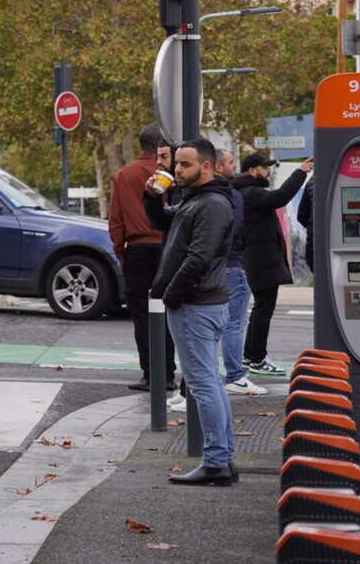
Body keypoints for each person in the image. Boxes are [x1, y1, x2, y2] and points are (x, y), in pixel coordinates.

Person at [143, 138, 236, 486]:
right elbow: (165, 224)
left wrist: (172, 295)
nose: (176, 170)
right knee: (209, 381)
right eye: (175, 164)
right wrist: (154, 197)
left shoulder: (211, 204)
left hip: (196, 303)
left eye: (185, 165)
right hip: (200, 301)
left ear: (208, 167)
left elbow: (199, 257)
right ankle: (222, 459)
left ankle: (216, 462)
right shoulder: (197, 199)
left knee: (202, 383)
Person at [107, 124, 175, 393]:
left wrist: (122, 253)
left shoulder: (123, 175)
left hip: (137, 249)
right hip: (168, 248)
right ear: (160, 144)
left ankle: (151, 373)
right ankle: (169, 373)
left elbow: (116, 221)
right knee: (169, 311)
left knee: (142, 314)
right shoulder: (171, 173)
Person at [232, 153, 313, 377]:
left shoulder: (244, 191)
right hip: (260, 260)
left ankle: (251, 355)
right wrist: (300, 172)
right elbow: (281, 197)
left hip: (259, 258)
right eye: (264, 168)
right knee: (263, 309)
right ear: (252, 171)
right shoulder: (251, 193)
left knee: (261, 309)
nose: (268, 171)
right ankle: (256, 358)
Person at [216, 148, 266, 398]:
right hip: (233, 264)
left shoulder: (201, 194)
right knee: (234, 323)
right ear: (217, 167)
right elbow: (236, 230)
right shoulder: (231, 195)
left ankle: (215, 377)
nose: (233, 166)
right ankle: (235, 375)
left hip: (214, 266)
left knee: (214, 323)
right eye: (230, 162)